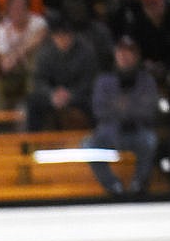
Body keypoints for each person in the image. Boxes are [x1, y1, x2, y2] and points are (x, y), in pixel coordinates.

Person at [81, 35, 160, 196]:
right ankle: (113, 186)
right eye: (121, 51)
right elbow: (99, 109)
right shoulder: (104, 81)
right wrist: (129, 108)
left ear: (136, 56)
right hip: (109, 131)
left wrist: (121, 108)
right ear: (115, 54)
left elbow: (149, 110)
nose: (124, 55)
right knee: (88, 145)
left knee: (150, 140)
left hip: (137, 131)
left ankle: (138, 185)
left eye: (129, 52)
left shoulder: (146, 81)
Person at [25, 16, 97, 131]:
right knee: (33, 102)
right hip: (53, 96)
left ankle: (96, 138)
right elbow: (39, 80)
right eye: (58, 35)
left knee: (94, 102)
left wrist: (70, 94)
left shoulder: (86, 52)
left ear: (72, 35)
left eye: (66, 35)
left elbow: (88, 81)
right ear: (53, 37)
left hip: (78, 95)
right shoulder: (45, 53)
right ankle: (33, 141)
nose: (62, 39)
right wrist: (52, 93)